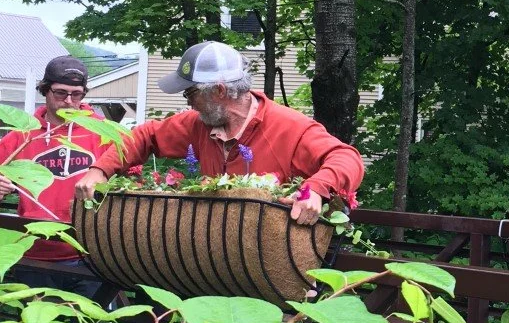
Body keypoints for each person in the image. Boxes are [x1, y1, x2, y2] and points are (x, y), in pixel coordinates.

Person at [74, 41, 363, 221]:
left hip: (272, 269)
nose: (188, 102)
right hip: (216, 262)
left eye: (190, 93)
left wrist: (316, 190)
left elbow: (346, 158)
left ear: (220, 91)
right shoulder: (199, 124)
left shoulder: (289, 127)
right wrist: (100, 170)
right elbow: (145, 135)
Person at [0, 55, 109, 296]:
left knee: (92, 320)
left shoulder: (102, 133)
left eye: (77, 94)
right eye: (60, 93)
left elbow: (131, 179)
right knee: (37, 320)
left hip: (91, 256)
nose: (69, 101)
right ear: (45, 90)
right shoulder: (21, 137)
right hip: (35, 256)